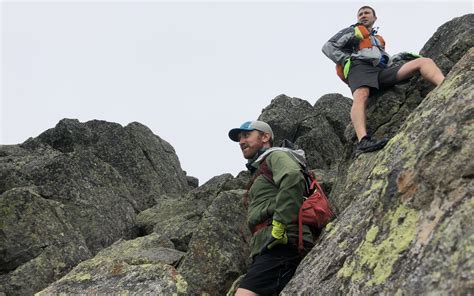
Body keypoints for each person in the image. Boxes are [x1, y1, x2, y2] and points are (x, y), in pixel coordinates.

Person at [322, 5, 445, 155]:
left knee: (424, 62)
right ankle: (363, 141)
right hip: (360, 67)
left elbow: (379, 57)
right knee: (361, 95)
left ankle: (447, 86)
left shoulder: (378, 39)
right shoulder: (352, 31)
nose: (363, 15)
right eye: (360, 14)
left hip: (381, 71)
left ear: (374, 18)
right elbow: (328, 46)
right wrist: (348, 59)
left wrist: (397, 58)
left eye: (367, 13)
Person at [228, 120, 313, 296]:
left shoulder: (276, 156)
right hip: (270, 246)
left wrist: (279, 226)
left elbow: (291, 176)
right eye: (239, 138)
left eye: (246, 135)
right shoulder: (260, 167)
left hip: (282, 244)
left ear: (265, 137)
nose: (241, 142)